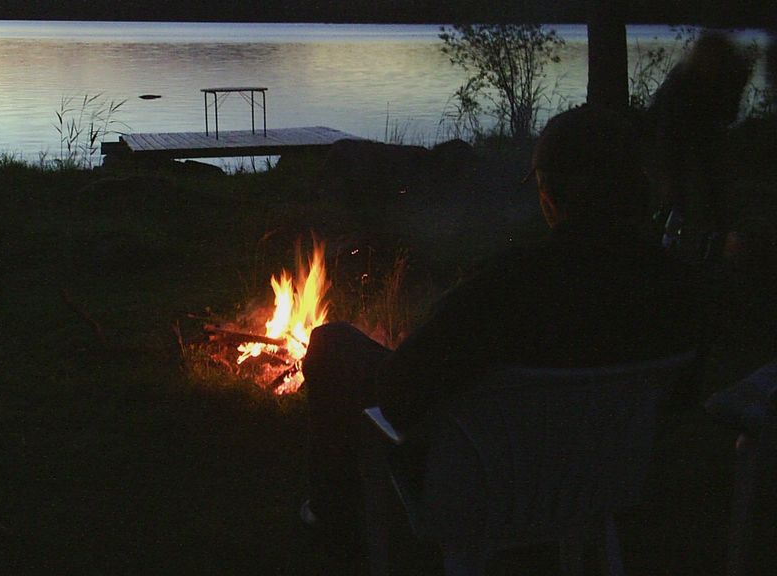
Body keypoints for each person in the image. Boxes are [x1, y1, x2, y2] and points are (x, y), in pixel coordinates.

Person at [301, 104, 718, 563]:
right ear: (636, 190)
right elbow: (682, 397)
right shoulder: (679, 287)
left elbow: (397, 397)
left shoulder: (507, 286)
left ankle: (334, 518)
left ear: (548, 196)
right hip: (602, 481)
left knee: (331, 343)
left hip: (482, 487)